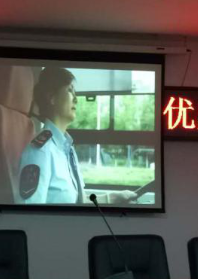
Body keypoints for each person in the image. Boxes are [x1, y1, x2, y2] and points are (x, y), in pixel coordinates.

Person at [17, 67, 138, 205]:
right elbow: (29, 212)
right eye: (70, 90)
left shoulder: (66, 149)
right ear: (52, 98)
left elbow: (78, 201)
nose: (76, 99)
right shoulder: (40, 152)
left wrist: (113, 198)